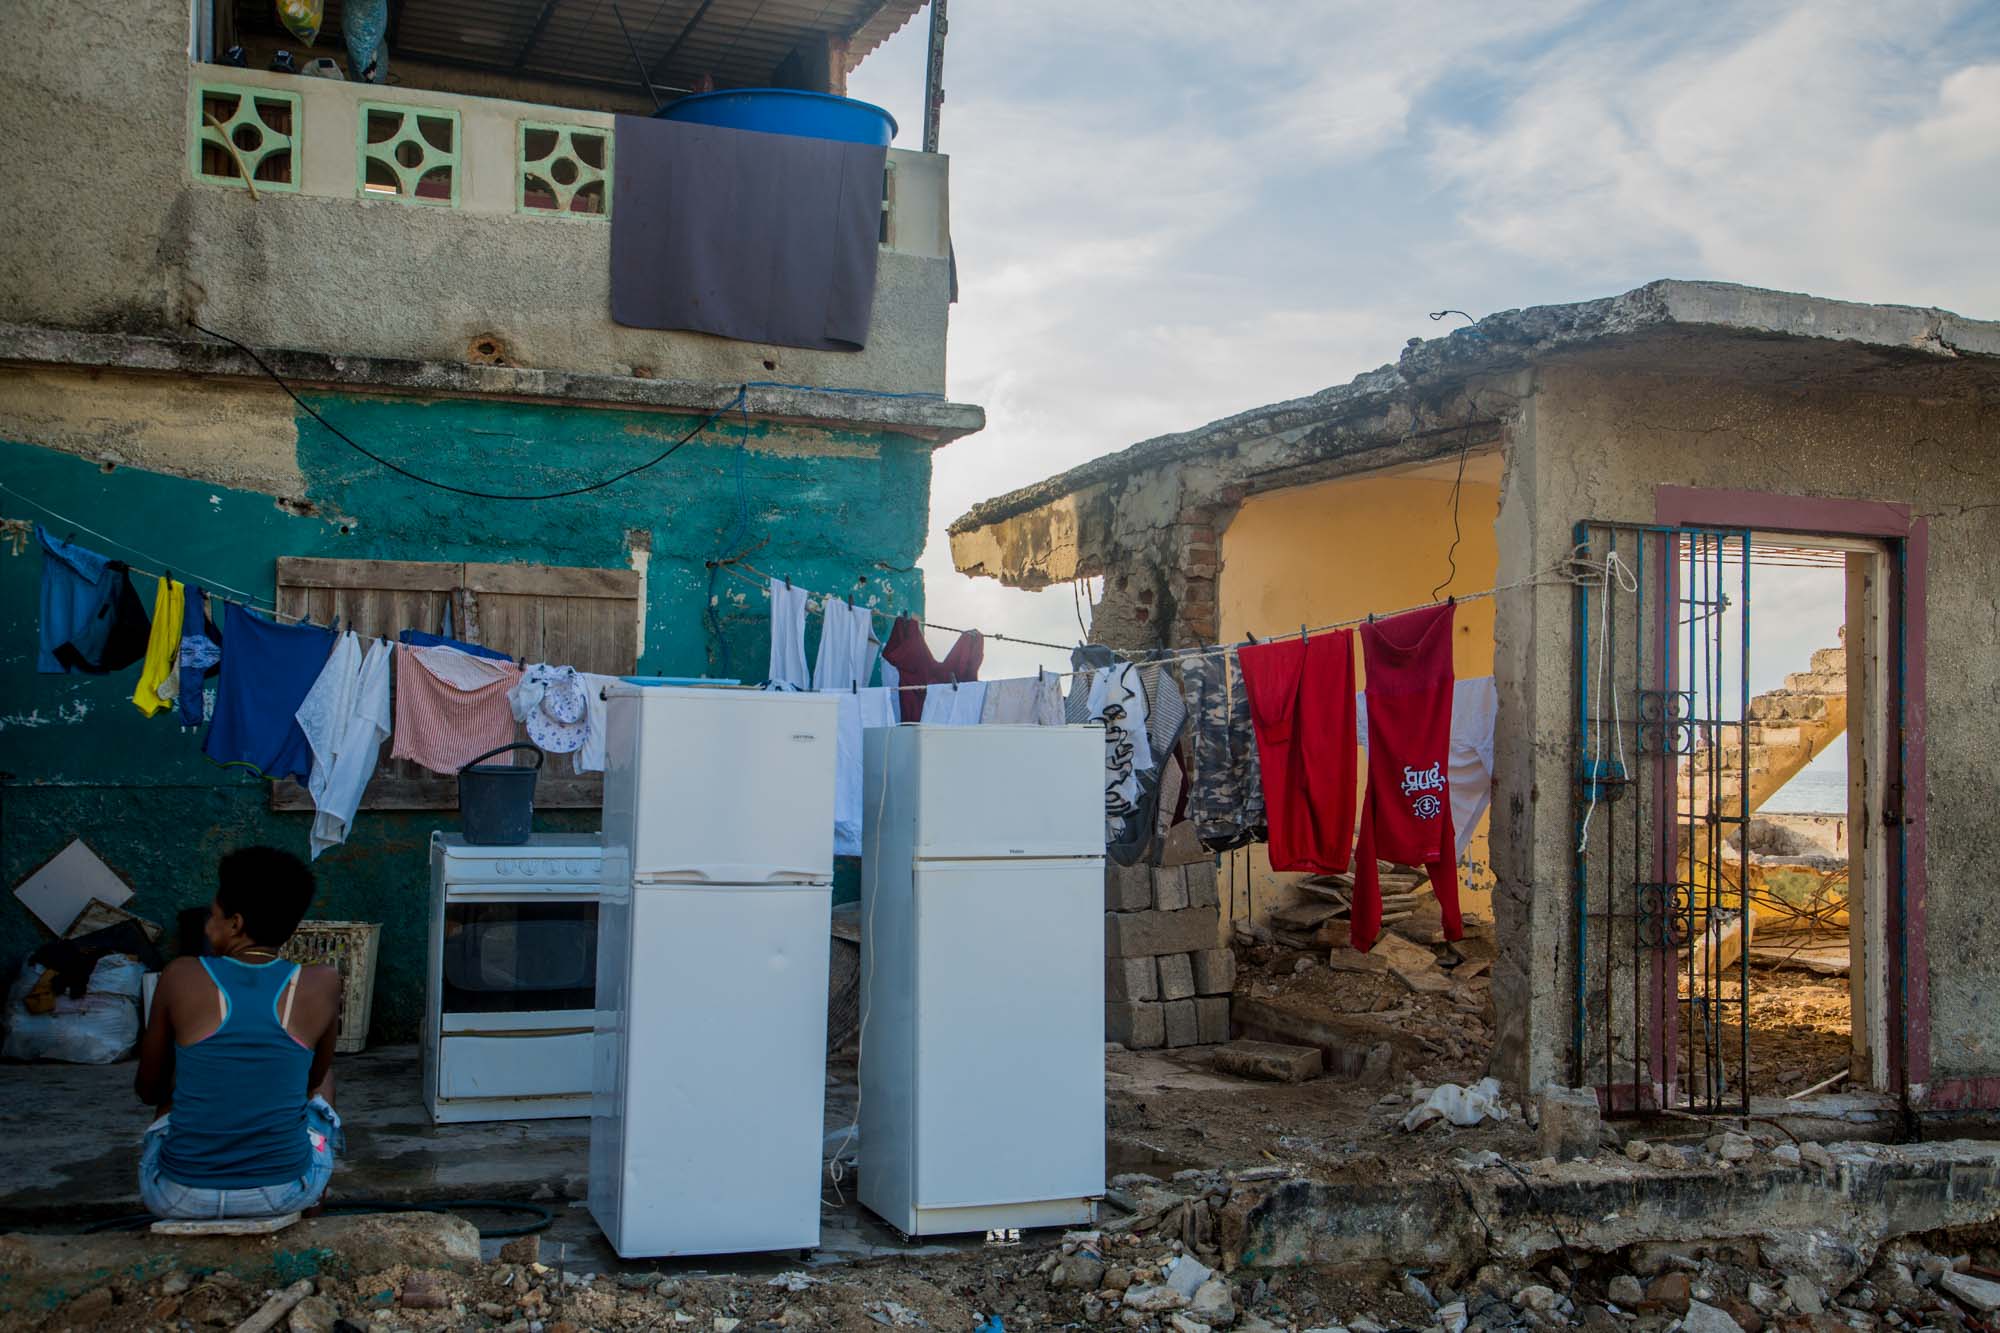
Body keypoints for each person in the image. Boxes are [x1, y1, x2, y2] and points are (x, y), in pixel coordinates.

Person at [134, 847, 344, 1219]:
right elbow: (309, 1084)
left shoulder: (181, 975)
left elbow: (148, 1089)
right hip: (281, 1193)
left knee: (175, 1091)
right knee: (324, 1077)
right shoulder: (322, 982)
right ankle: (313, 1200)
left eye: (212, 916)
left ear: (235, 923)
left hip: (177, 1198)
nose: (206, 925)